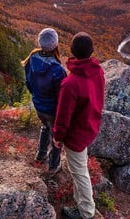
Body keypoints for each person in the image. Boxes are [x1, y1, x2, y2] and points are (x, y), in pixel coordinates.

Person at [53, 32, 104, 219]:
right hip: (90, 126)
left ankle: (86, 213)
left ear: (73, 51)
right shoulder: (97, 71)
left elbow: (63, 116)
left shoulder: (70, 84)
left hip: (76, 135)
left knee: (79, 172)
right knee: (79, 166)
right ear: (91, 51)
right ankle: (82, 205)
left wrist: (58, 137)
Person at [22, 28, 67, 174]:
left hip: (39, 105)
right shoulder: (57, 69)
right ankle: (54, 165)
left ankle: (40, 155)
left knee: (45, 127)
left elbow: (28, 82)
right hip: (52, 109)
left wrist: (36, 96)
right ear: (55, 45)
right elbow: (61, 95)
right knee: (56, 136)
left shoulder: (31, 59)